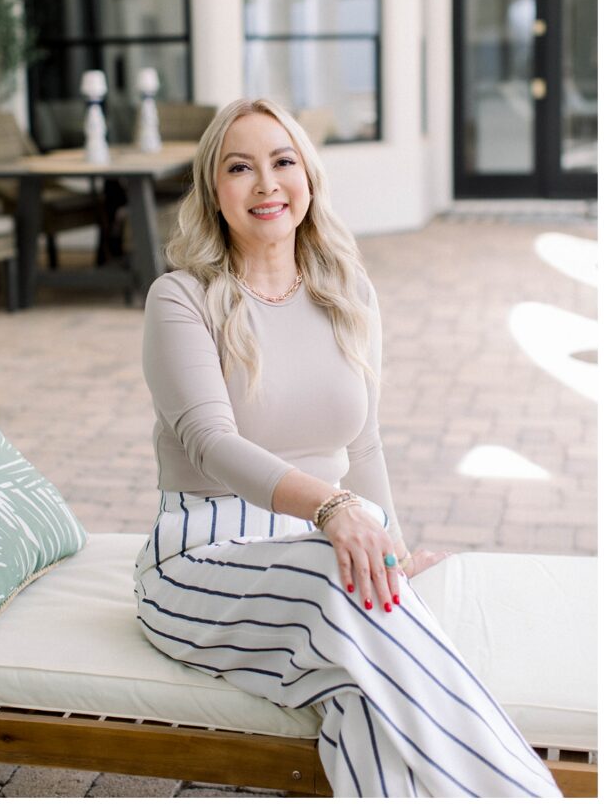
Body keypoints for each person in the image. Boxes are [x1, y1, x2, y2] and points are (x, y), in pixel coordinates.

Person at [134, 97, 561, 798]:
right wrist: (333, 510)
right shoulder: (181, 298)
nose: (266, 184)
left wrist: (390, 545)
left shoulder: (347, 293)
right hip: (201, 562)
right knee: (345, 581)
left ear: (308, 176)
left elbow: (362, 444)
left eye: (282, 161)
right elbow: (210, 442)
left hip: (324, 553)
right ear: (214, 192)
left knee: (359, 699)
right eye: (239, 168)